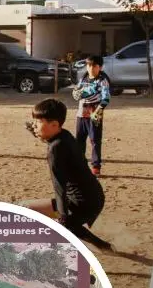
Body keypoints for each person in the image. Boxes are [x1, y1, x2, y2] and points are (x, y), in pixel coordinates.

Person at [21, 98, 112, 250]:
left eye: (38, 122)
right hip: (95, 197)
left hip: (81, 203)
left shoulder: (55, 149)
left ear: (54, 124)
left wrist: (62, 217)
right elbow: (54, 142)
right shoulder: (64, 135)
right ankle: (104, 247)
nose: (34, 126)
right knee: (69, 224)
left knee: (26, 210)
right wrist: (40, 133)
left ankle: (98, 245)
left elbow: (59, 186)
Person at [72, 55, 111, 177]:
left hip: (94, 115)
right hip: (81, 114)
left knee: (95, 140)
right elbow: (76, 90)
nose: (91, 68)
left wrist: (98, 111)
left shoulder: (102, 80)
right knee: (79, 141)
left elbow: (106, 98)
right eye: (89, 65)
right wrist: (75, 93)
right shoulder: (84, 77)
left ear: (100, 67)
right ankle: (79, 165)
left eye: (94, 66)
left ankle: (95, 166)